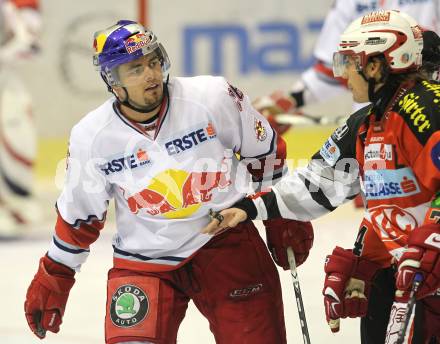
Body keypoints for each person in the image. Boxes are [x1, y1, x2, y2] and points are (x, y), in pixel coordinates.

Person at [23, 20, 314, 343]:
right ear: (113, 82)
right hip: (143, 262)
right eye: (135, 69)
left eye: (153, 60)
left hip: (227, 245)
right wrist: (56, 275)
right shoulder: (91, 137)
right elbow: (81, 218)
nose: (150, 74)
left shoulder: (212, 96)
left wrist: (284, 213)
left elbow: (265, 154)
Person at [203, 10, 440, 344]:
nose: (343, 75)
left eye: (348, 63)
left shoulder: (426, 109)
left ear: (374, 66)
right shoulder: (367, 123)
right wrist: (250, 207)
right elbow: (319, 185)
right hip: (413, 276)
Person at [254, 0, 439, 127]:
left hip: (427, 111)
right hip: (370, 124)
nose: (344, 74)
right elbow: (332, 69)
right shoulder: (347, 2)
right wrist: (291, 99)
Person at [0, 0, 42, 237]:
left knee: (17, 135)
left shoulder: (15, 8)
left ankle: (17, 204)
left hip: (7, 80)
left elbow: (29, 44)